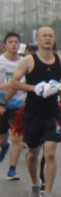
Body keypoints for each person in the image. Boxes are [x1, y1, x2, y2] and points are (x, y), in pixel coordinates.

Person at [7, 26, 61, 197]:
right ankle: (34, 183)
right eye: (44, 36)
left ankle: (48, 194)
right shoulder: (28, 61)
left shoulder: (60, 59)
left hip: (52, 113)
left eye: (51, 36)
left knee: (50, 152)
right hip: (32, 112)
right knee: (33, 153)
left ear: (54, 39)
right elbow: (14, 82)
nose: (48, 38)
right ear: (38, 40)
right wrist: (35, 88)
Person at [0, 32, 26, 180]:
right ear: (5, 45)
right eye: (10, 42)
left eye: (16, 42)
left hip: (18, 103)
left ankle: (12, 169)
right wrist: (11, 85)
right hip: (1, 103)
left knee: (16, 137)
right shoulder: (1, 62)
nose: (14, 44)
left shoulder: (24, 62)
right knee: (2, 139)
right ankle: (4, 147)